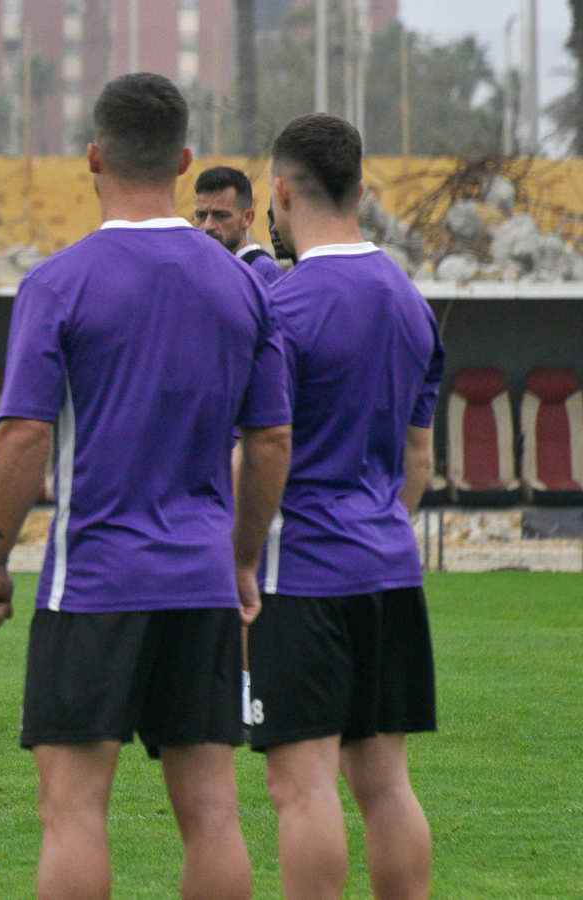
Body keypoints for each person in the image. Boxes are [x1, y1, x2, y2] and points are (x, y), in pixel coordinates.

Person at [0, 73, 291, 900]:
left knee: (74, 810)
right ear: (185, 161)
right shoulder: (243, 285)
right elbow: (270, 441)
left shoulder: (58, 283)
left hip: (97, 585)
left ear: (93, 157)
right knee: (214, 810)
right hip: (202, 583)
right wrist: (244, 560)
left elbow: (25, 435)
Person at [251, 112, 442, 900]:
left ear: (283, 192)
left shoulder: (284, 310)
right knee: (387, 783)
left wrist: (238, 560)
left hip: (306, 577)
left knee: (303, 787)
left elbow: (265, 451)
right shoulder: (411, 302)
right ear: (362, 188)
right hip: (391, 567)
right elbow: (419, 462)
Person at [193, 166, 285, 286]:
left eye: (221, 215)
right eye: (201, 215)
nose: (208, 226)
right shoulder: (197, 269)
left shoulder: (263, 272)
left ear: (247, 218)